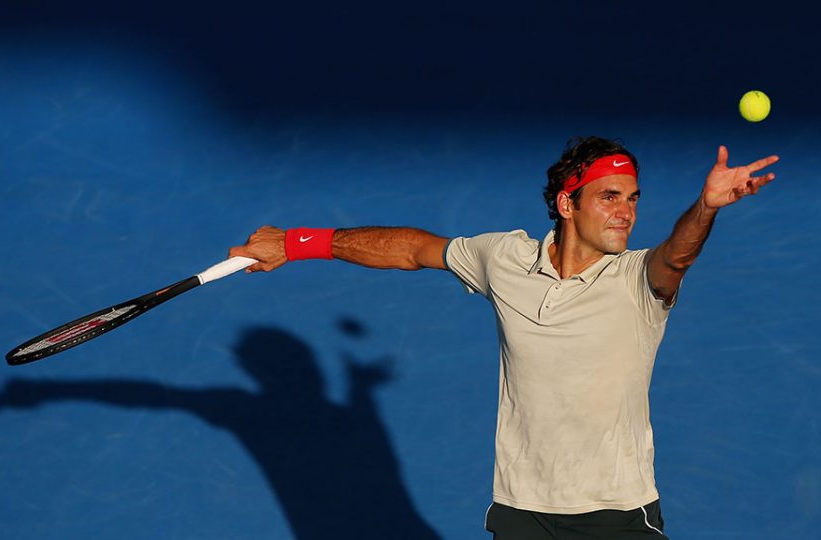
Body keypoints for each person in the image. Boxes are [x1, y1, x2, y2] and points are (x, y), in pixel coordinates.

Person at [228, 136, 779, 539]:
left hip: (616, 515)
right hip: (522, 512)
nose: (626, 212)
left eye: (633, 198)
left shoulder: (639, 279)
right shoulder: (505, 258)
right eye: (610, 196)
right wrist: (297, 242)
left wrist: (706, 207)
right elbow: (412, 249)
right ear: (568, 204)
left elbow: (677, 255)